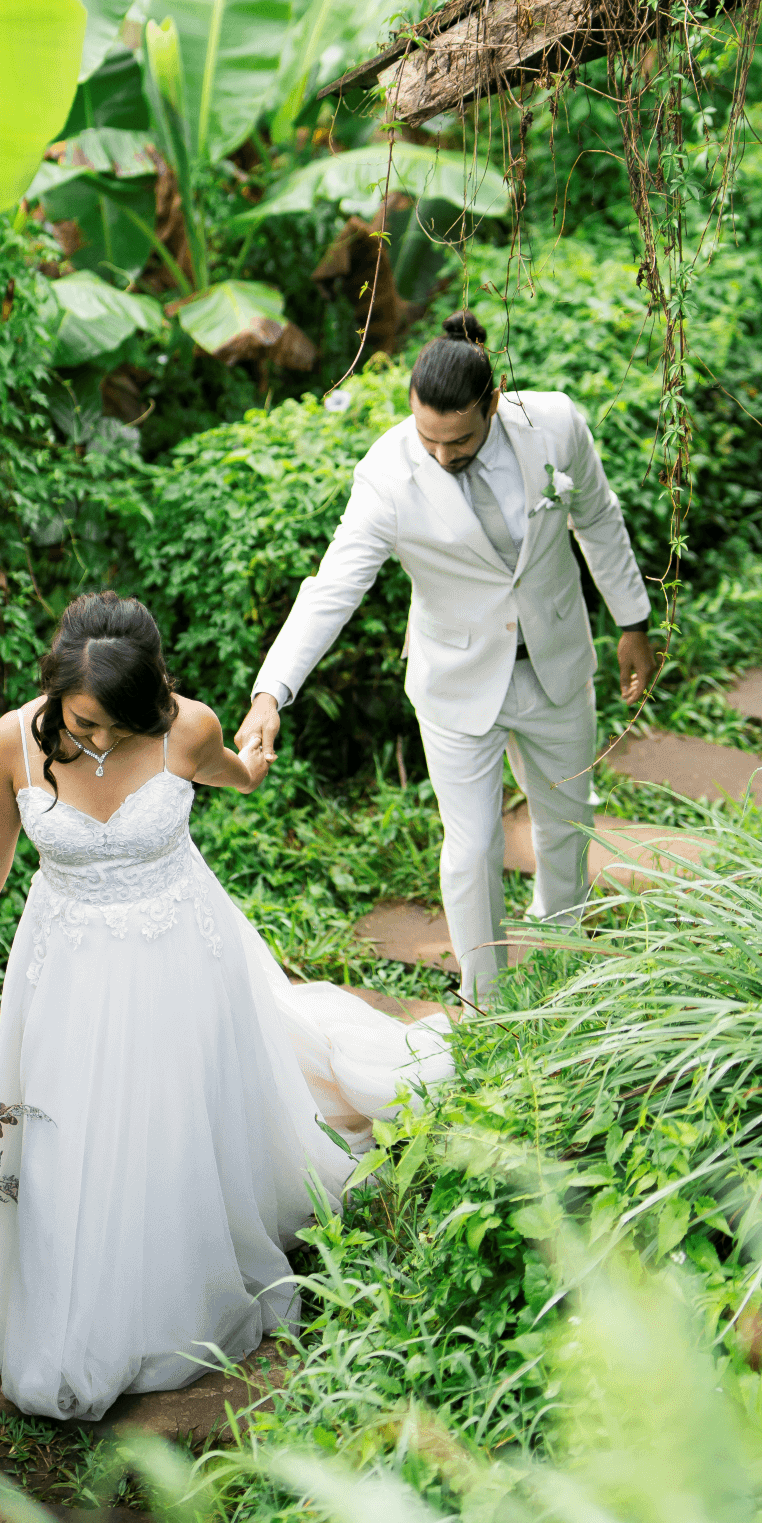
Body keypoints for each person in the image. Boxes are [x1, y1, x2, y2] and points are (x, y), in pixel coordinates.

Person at [0, 592, 451, 1423]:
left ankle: (169, 1279)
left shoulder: (188, 726)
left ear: (153, 701)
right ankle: (71, 1303)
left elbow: (235, 772)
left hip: (180, 954)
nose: (98, 742)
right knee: (67, 1125)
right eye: (83, 723)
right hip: (66, 966)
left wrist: (255, 751)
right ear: (55, 689)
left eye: (118, 727)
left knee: (170, 1117)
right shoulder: (11, 743)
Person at [236, 313, 655, 1007]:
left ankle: (563, 958)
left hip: (555, 661)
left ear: (493, 402)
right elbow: (332, 589)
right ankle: (483, 994)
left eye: (458, 440)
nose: (439, 454)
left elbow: (599, 517)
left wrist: (632, 620)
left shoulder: (554, 424)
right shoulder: (386, 475)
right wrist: (270, 693)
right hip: (454, 680)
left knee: (566, 823)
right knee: (472, 846)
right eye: (426, 436)